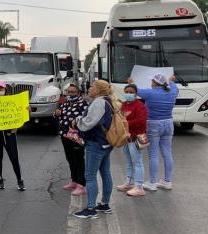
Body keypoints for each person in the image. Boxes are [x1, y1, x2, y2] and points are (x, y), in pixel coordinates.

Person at [73, 80, 117, 219]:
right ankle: (104, 204)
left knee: (90, 176)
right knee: (105, 173)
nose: (89, 88)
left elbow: (89, 122)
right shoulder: (108, 100)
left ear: (97, 90)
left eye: (92, 86)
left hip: (96, 143)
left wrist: (77, 121)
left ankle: (91, 208)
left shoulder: (99, 102)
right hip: (105, 142)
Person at [131, 74, 179, 191]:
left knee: (153, 154)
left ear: (154, 82)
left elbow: (135, 90)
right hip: (168, 122)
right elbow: (173, 84)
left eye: (152, 81)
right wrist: (171, 80)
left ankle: (152, 182)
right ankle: (167, 181)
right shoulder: (172, 90)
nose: (150, 83)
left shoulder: (150, 93)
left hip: (153, 123)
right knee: (167, 152)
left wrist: (132, 82)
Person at [55, 83, 89, 196]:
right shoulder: (65, 103)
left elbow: (86, 118)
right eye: (69, 92)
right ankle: (74, 180)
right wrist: (57, 113)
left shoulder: (83, 103)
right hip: (65, 135)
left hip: (76, 137)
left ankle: (81, 184)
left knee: (78, 159)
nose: (70, 94)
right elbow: (58, 115)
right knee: (70, 159)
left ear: (78, 93)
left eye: (73, 92)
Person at [116, 84, 148, 197]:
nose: (128, 94)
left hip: (135, 137)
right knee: (129, 161)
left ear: (136, 93)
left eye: (131, 92)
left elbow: (142, 121)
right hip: (126, 138)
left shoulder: (140, 106)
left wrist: (126, 123)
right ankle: (129, 182)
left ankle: (139, 186)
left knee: (137, 162)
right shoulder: (123, 105)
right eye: (126, 91)